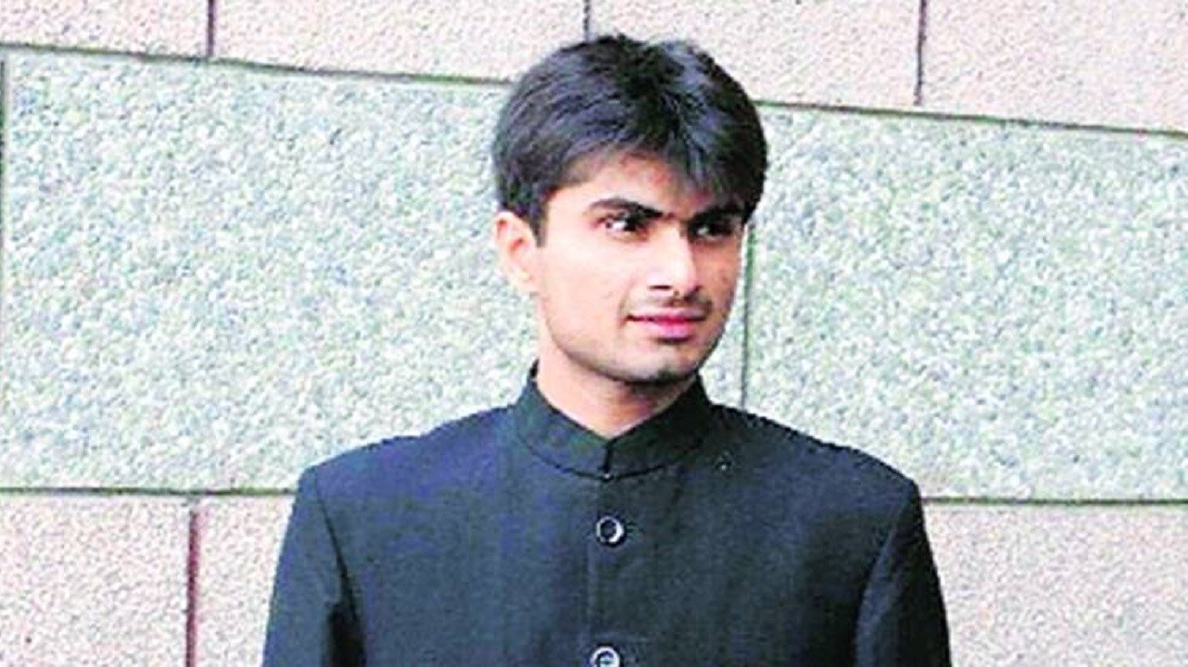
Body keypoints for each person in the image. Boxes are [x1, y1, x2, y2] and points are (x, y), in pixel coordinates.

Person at [263, 34, 950, 666]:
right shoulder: (361, 516)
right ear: (520, 250)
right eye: (627, 224)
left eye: (712, 228)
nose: (681, 274)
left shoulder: (852, 522)